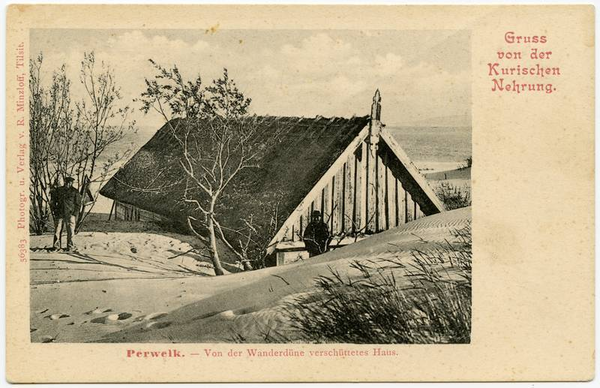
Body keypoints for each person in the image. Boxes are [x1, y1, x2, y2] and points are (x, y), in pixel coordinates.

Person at [51, 176, 82, 251]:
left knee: (71, 232)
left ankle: (70, 247)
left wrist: (74, 214)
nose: (68, 184)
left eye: (70, 182)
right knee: (57, 231)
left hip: (70, 214)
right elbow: (53, 201)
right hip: (60, 213)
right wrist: (55, 211)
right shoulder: (59, 190)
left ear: (72, 183)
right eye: (67, 182)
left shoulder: (75, 191)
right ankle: (56, 246)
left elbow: (78, 204)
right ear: (65, 182)